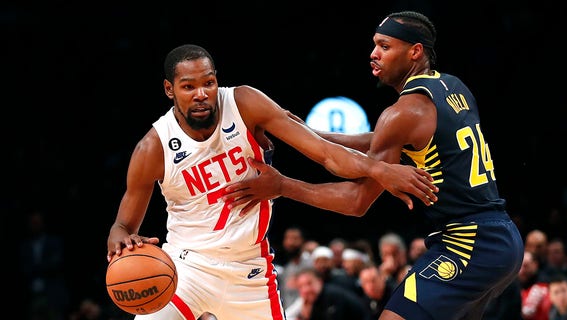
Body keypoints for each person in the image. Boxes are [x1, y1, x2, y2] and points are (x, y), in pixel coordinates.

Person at [222, 10, 524, 320]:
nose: (373, 54)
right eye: (374, 45)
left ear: (415, 51)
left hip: (468, 242)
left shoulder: (401, 114)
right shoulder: (452, 88)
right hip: (501, 236)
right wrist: (313, 135)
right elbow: (380, 139)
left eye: (384, 46)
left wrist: (283, 185)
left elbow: (356, 202)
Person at [105, 44, 438, 320]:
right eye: (188, 87)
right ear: (169, 89)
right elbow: (122, 224)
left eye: (208, 83)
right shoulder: (153, 147)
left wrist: (381, 170)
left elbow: (324, 152)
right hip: (187, 268)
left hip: (250, 270)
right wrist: (120, 241)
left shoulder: (245, 103)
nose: (201, 94)